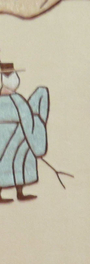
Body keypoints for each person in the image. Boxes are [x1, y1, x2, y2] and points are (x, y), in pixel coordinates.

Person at [0, 61, 48, 201]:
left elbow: (27, 119)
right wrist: (36, 143)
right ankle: (18, 193)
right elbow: (29, 123)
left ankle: (19, 193)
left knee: (16, 163)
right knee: (14, 163)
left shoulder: (18, 100)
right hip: (11, 138)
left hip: (13, 139)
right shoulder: (18, 101)